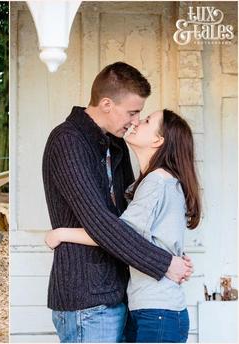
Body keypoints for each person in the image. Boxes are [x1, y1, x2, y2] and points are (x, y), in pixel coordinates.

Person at [41, 62, 193, 343]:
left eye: (141, 116)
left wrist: (167, 252)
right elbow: (101, 222)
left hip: (122, 293)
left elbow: (131, 219)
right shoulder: (67, 141)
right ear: (108, 104)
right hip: (87, 297)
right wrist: (162, 262)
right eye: (133, 112)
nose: (135, 120)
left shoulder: (116, 143)